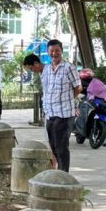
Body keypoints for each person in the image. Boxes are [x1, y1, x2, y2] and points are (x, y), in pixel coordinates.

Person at [41, 39, 81, 172]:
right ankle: (58, 172)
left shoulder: (69, 68)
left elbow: (78, 87)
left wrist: (68, 99)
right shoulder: (46, 69)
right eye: (51, 51)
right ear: (48, 52)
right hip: (50, 114)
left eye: (57, 50)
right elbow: (46, 90)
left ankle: (64, 175)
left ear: (62, 51)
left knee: (61, 146)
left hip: (64, 114)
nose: (54, 53)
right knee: (53, 146)